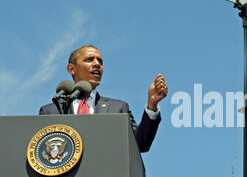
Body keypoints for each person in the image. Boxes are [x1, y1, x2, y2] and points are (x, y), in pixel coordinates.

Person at [39, 45, 168, 153]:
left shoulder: (118, 108)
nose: (97, 64)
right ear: (71, 69)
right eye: (89, 60)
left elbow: (140, 144)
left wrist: (152, 105)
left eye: (100, 62)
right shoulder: (50, 111)